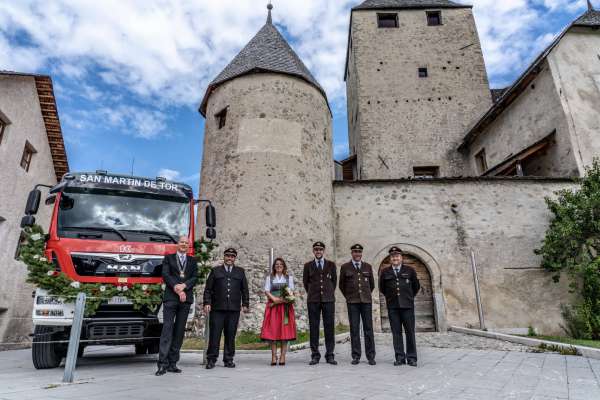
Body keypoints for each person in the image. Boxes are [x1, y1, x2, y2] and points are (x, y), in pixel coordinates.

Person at [156, 236, 198, 376]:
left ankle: (173, 363)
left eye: (186, 243)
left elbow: (194, 277)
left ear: (188, 245)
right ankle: (162, 364)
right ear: (177, 244)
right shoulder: (169, 258)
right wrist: (177, 288)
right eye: (182, 242)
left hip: (185, 300)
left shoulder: (192, 260)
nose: (184, 244)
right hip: (171, 298)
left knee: (179, 332)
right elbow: (166, 275)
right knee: (167, 330)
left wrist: (184, 286)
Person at [203, 248, 249, 369]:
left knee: (230, 335)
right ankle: (211, 359)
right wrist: (207, 302)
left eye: (232, 256)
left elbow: (244, 290)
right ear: (224, 257)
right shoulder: (215, 271)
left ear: (235, 258)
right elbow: (208, 289)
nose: (230, 258)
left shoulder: (240, 272)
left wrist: (245, 304)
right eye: (227, 256)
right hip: (217, 309)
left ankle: (228, 359)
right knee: (215, 335)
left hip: (233, 309)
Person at [379, 246, 420, 367]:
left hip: (407, 306)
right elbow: (382, 288)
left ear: (401, 258)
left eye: (397, 256)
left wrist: (408, 297)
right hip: (393, 307)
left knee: (410, 332)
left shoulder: (410, 270)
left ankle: (412, 357)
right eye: (392, 256)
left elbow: (416, 287)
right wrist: (392, 299)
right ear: (390, 259)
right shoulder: (385, 272)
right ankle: (400, 357)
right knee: (396, 333)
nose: (395, 258)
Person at [339, 244, 376, 365]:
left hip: (366, 302)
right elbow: (341, 285)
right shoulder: (345, 267)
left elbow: (371, 285)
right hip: (352, 303)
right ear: (351, 253)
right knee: (354, 329)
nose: (357, 254)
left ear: (361, 253)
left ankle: (371, 356)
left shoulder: (367, 267)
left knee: (368, 329)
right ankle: (356, 356)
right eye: (355, 252)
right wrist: (350, 297)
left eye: (359, 252)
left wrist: (365, 296)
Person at [303, 241, 337, 365]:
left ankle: (330, 355)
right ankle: (315, 355)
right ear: (313, 251)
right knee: (314, 327)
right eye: (316, 249)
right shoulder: (308, 266)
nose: (318, 252)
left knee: (329, 327)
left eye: (320, 249)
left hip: (328, 300)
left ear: (323, 251)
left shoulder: (331, 265)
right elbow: (306, 282)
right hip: (313, 300)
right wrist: (313, 293)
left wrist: (327, 293)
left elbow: (334, 282)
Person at [260, 257, 297, 366]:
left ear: (284, 266)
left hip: (284, 308)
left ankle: (282, 356)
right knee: (273, 331)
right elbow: (266, 291)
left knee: (284, 332)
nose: (279, 266)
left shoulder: (288, 278)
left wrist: (277, 301)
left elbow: (291, 294)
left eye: (281, 264)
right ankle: (273, 355)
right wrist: (273, 299)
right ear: (274, 267)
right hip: (273, 309)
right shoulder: (269, 278)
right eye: (277, 264)